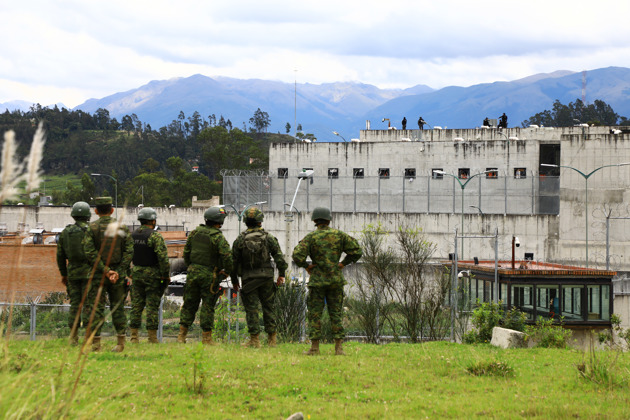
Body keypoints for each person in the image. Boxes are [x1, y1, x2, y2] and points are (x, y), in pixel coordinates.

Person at [292, 207, 362, 356]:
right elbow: (357, 251)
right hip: (335, 280)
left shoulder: (311, 238)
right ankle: (339, 349)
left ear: (315, 221)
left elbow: (297, 255)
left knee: (315, 314)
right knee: (335, 313)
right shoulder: (340, 236)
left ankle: (315, 348)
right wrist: (343, 263)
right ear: (329, 220)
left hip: (317, 281)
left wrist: (307, 266)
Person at [232, 206, 288, 348]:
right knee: (269, 308)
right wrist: (281, 275)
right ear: (260, 222)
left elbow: (233, 262)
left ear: (245, 222)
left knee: (252, 310)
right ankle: (272, 341)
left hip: (248, 279)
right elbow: (280, 259)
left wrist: (234, 281)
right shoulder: (269, 238)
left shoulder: (240, 239)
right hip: (266, 278)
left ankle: (254, 340)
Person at [83, 196, 133, 352]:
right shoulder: (122, 228)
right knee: (117, 308)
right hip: (117, 275)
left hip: (98, 274)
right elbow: (129, 251)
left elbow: (89, 252)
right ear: (112, 210)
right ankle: (120, 343)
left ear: (96, 211)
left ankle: (96, 344)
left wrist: (105, 270)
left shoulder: (92, 228)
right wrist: (118, 271)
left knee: (96, 308)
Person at [178, 206, 233, 345]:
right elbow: (227, 257)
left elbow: (186, 254)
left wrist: (192, 267)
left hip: (192, 273)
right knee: (208, 306)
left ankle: (181, 336)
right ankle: (207, 339)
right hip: (210, 275)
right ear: (219, 221)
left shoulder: (194, 233)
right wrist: (226, 271)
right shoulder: (217, 237)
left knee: (189, 303)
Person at [129, 208, 170, 344]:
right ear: (153, 220)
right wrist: (165, 276)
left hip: (136, 274)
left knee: (136, 306)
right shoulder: (155, 236)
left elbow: (125, 256)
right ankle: (152, 338)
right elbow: (163, 258)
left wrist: (130, 273)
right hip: (153, 276)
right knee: (152, 306)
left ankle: (134, 337)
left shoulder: (132, 236)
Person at [56, 201, 92, 346]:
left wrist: (64, 274)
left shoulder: (66, 232)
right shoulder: (91, 231)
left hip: (72, 274)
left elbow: (60, 255)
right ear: (87, 215)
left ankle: (73, 337)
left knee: (75, 305)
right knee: (89, 305)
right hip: (89, 273)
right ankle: (89, 338)